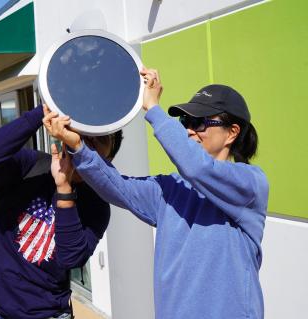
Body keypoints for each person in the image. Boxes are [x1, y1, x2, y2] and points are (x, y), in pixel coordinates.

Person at [44, 68, 269, 319]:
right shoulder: (171, 187)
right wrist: (78, 146)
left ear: (232, 132)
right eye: (186, 122)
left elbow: (197, 168)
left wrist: (153, 110)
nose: (189, 130)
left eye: (199, 122)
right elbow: (117, 186)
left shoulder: (250, 184)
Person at [0, 103, 123, 319]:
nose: (90, 141)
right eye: (84, 134)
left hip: (49, 313)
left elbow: (70, 258)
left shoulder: (97, 205)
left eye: (102, 138)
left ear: (109, 158)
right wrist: (44, 111)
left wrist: (64, 188)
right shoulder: (31, 166)